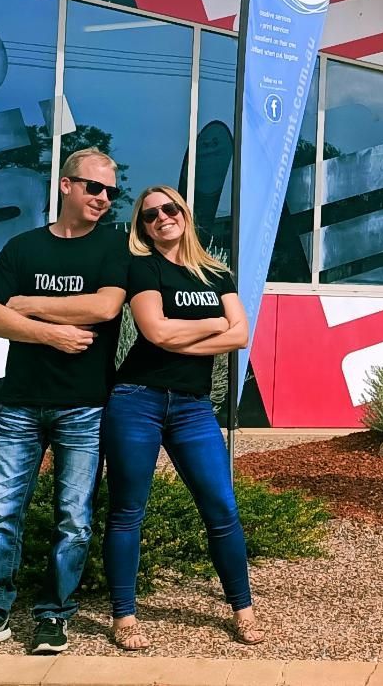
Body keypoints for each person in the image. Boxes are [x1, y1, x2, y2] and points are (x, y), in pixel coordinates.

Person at [0, 148, 128, 656]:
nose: (104, 198)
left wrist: (27, 307)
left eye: (111, 192)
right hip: (19, 405)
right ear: (66, 185)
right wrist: (54, 334)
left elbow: (105, 306)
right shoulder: (22, 247)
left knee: (74, 519)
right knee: (0, 513)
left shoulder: (113, 247)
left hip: (84, 406)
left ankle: (53, 616)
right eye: (94, 187)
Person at [102, 185, 264, 650]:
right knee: (127, 511)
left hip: (193, 406)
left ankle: (243, 611)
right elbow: (156, 333)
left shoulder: (217, 273)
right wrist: (214, 324)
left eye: (169, 209)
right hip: (138, 399)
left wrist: (188, 336)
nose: (161, 218)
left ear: (184, 214)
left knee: (222, 508)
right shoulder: (143, 267)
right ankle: (124, 616)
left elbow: (241, 336)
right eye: (150, 215)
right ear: (143, 227)